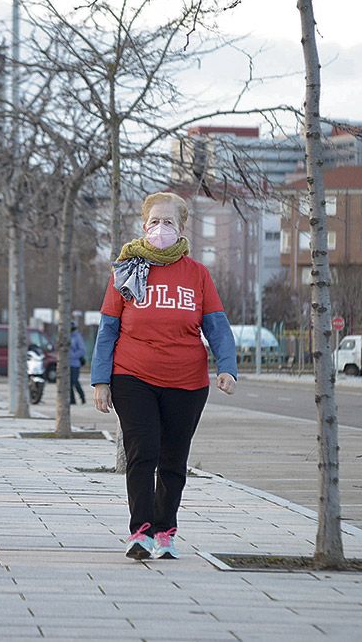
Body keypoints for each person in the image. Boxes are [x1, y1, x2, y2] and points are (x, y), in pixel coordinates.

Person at [91, 191, 237, 560]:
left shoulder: (198, 275)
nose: (160, 228)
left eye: (168, 222)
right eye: (154, 221)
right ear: (143, 226)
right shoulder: (126, 268)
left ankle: (165, 531)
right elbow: (108, 329)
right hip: (132, 376)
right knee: (144, 452)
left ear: (182, 228)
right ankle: (140, 531)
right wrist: (100, 380)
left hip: (186, 382)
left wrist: (227, 368)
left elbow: (216, 326)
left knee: (173, 459)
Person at [68, 322, 87, 405]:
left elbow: (82, 350)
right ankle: (72, 400)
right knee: (69, 383)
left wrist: (72, 356)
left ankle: (82, 397)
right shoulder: (67, 336)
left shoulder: (77, 337)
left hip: (75, 364)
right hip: (67, 364)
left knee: (75, 381)